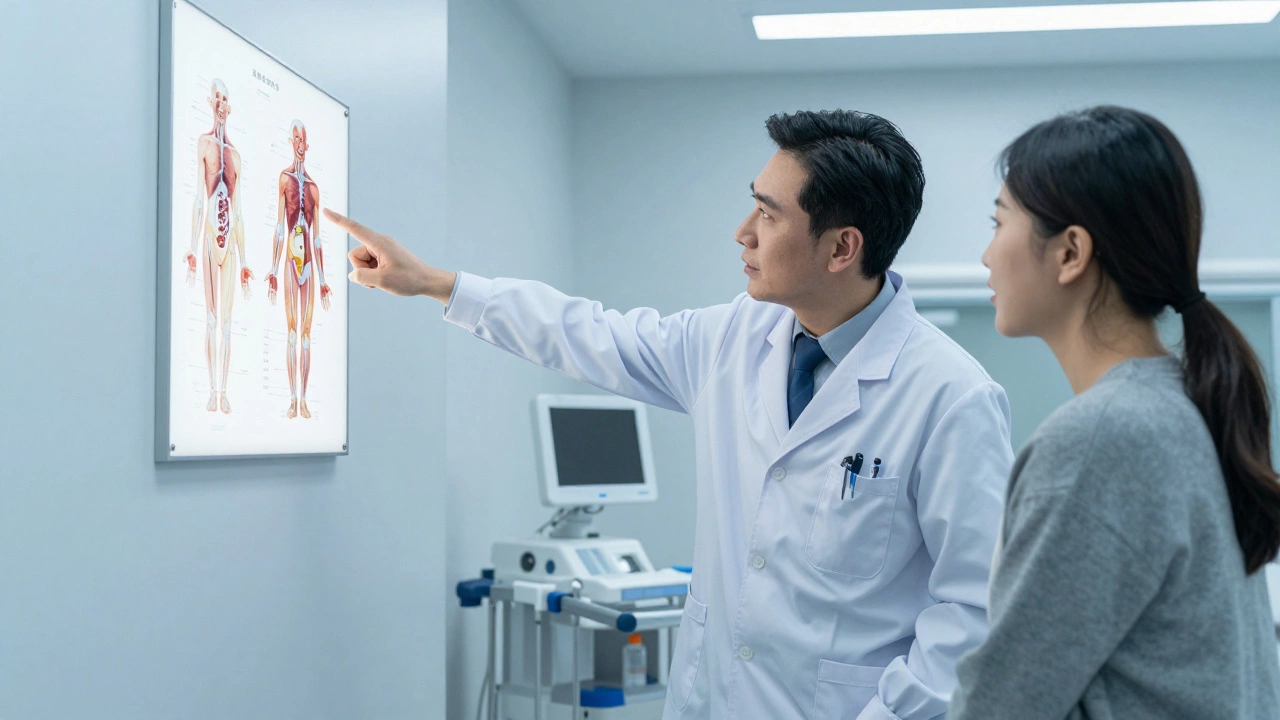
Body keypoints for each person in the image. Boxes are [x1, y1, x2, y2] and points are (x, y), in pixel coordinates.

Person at [331, 110, 1014, 719]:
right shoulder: (733, 338)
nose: (743, 233)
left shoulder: (950, 397)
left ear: (842, 248)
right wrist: (435, 284)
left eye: (769, 215)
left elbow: (973, 619)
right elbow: (589, 333)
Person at [950, 106, 1280, 719]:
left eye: (999, 224)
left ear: (1070, 252)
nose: (987, 256)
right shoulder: (1182, 407)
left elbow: (1001, 704)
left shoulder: (1102, 439)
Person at [184, 78, 252, 414]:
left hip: (229, 244)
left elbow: (238, 213)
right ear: (210, 102)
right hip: (211, 236)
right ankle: (212, 391)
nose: (221, 103)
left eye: (225, 98)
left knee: (227, 323)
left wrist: (246, 261)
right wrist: (192, 245)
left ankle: (223, 392)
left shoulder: (236, 156)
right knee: (211, 321)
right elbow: (200, 198)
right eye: (217, 97)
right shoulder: (204, 145)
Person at [266, 119, 332, 419]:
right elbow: (280, 228)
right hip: (290, 263)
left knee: (305, 333)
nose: (301, 145)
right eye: (297, 139)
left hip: (308, 266)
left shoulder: (315, 189)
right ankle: (292, 399)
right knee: (292, 331)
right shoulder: (284, 179)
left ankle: (303, 399)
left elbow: (317, 237)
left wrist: (323, 279)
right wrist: (272, 268)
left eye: (304, 140)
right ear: (291, 142)